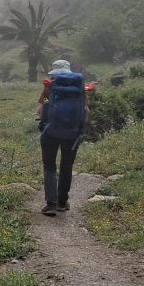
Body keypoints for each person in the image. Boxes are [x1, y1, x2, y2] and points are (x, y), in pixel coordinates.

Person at [36, 60, 93, 216]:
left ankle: (51, 204)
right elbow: (86, 110)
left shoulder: (50, 86)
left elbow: (42, 106)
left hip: (50, 132)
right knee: (66, 166)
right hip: (72, 133)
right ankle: (62, 202)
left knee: (49, 166)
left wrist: (47, 102)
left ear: (54, 72)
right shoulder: (79, 87)